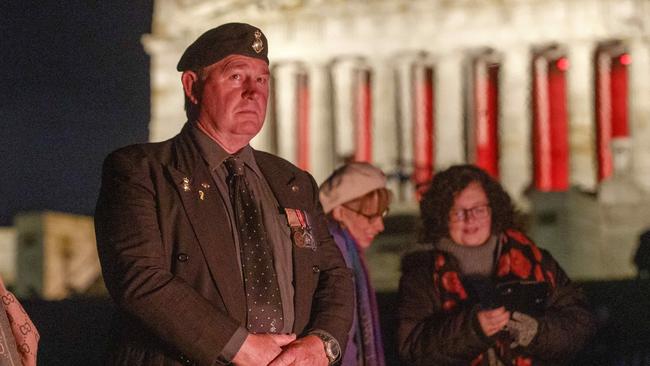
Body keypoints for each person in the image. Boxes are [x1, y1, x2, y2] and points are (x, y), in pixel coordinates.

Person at [95, 23, 353, 366]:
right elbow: (140, 280)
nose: (253, 92)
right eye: (236, 77)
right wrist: (238, 346)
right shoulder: (141, 170)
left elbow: (334, 274)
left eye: (262, 79)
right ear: (192, 86)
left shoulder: (292, 181)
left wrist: (323, 343)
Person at [396, 164, 595, 365]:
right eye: (457, 212)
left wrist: (536, 331)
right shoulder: (422, 274)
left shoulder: (536, 260)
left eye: (479, 209)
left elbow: (579, 323)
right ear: (441, 218)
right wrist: (473, 329)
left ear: (493, 210)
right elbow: (412, 350)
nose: (470, 219)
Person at [319, 162, 390, 366]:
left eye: (383, 214)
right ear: (340, 212)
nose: (380, 226)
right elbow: (344, 333)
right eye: (370, 216)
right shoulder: (336, 248)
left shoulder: (348, 247)